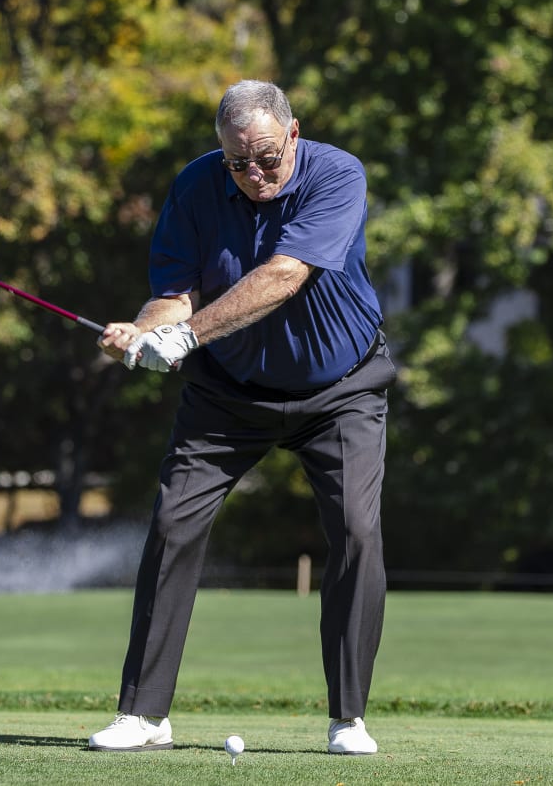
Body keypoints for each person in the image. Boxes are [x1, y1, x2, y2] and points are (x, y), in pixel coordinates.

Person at [90, 79, 396, 755]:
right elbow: (173, 295)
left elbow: (286, 273)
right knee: (172, 523)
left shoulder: (337, 173)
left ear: (292, 135)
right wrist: (144, 334)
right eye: (237, 162)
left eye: (265, 158)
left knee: (355, 529)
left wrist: (187, 334)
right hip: (227, 394)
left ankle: (349, 718)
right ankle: (143, 713)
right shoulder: (197, 186)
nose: (253, 175)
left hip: (340, 390)